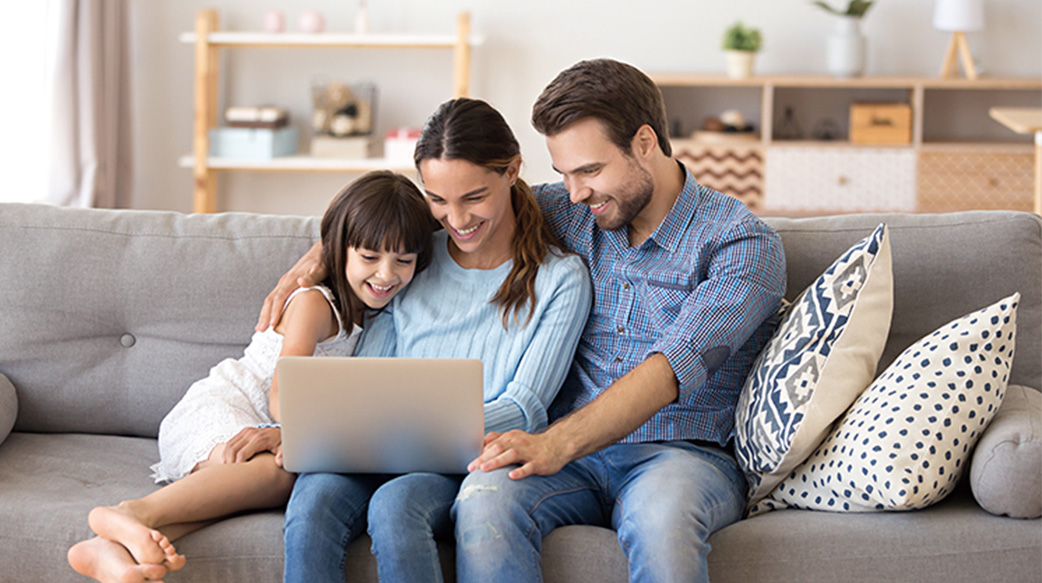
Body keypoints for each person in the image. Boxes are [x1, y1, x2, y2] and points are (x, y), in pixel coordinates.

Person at [450, 59, 788, 582]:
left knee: (662, 518)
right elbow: (462, 212)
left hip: (681, 457)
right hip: (569, 459)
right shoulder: (570, 211)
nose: (576, 190)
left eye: (589, 170)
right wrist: (322, 257)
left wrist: (555, 443)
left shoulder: (741, 244)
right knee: (483, 497)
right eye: (564, 173)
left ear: (646, 143)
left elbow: (668, 369)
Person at [258, 98, 592, 583]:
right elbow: (366, 371)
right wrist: (317, 429)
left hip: (465, 455)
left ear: (513, 170)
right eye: (438, 200)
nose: (456, 219)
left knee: (397, 506)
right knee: (312, 501)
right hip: (376, 440)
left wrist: (402, 427)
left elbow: (525, 407)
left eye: (473, 197)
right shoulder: (414, 257)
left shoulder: (559, 278)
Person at [66, 170, 436, 583]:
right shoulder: (316, 303)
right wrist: (298, 434)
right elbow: (284, 393)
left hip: (258, 426)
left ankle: (108, 548)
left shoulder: (372, 313)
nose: (387, 274)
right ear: (338, 249)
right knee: (281, 474)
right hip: (223, 408)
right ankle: (132, 511)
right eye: (370, 258)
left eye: (403, 261)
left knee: (256, 489)